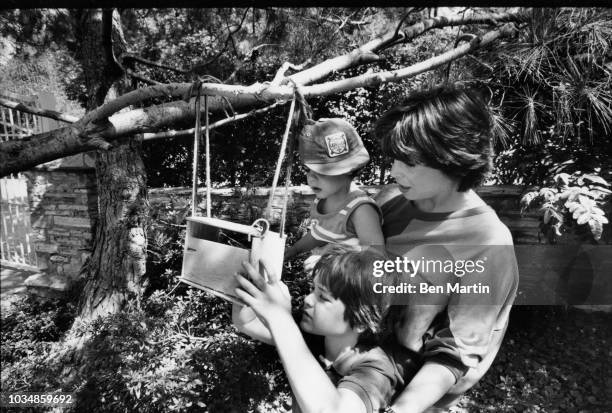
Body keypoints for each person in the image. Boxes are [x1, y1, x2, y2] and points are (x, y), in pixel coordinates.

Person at [372, 85, 519, 413]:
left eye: (409, 161)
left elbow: (452, 357)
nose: (395, 172)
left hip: (408, 394)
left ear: (454, 159)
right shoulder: (392, 200)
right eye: (393, 158)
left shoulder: (487, 242)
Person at [232, 246, 422, 413]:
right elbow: (246, 323)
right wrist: (246, 286)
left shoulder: (376, 370)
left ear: (361, 321)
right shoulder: (316, 332)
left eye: (323, 297)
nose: (307, 299)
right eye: (313, 290)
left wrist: (281, 319)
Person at [284, 118, 385, 264]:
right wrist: (294, 250)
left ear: (348, 170)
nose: (311, 178)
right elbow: (319, 234)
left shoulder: (361, 210)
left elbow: (377, 258)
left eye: (322, 171)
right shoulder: (322, 200)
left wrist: (333, 252)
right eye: (308, 170)